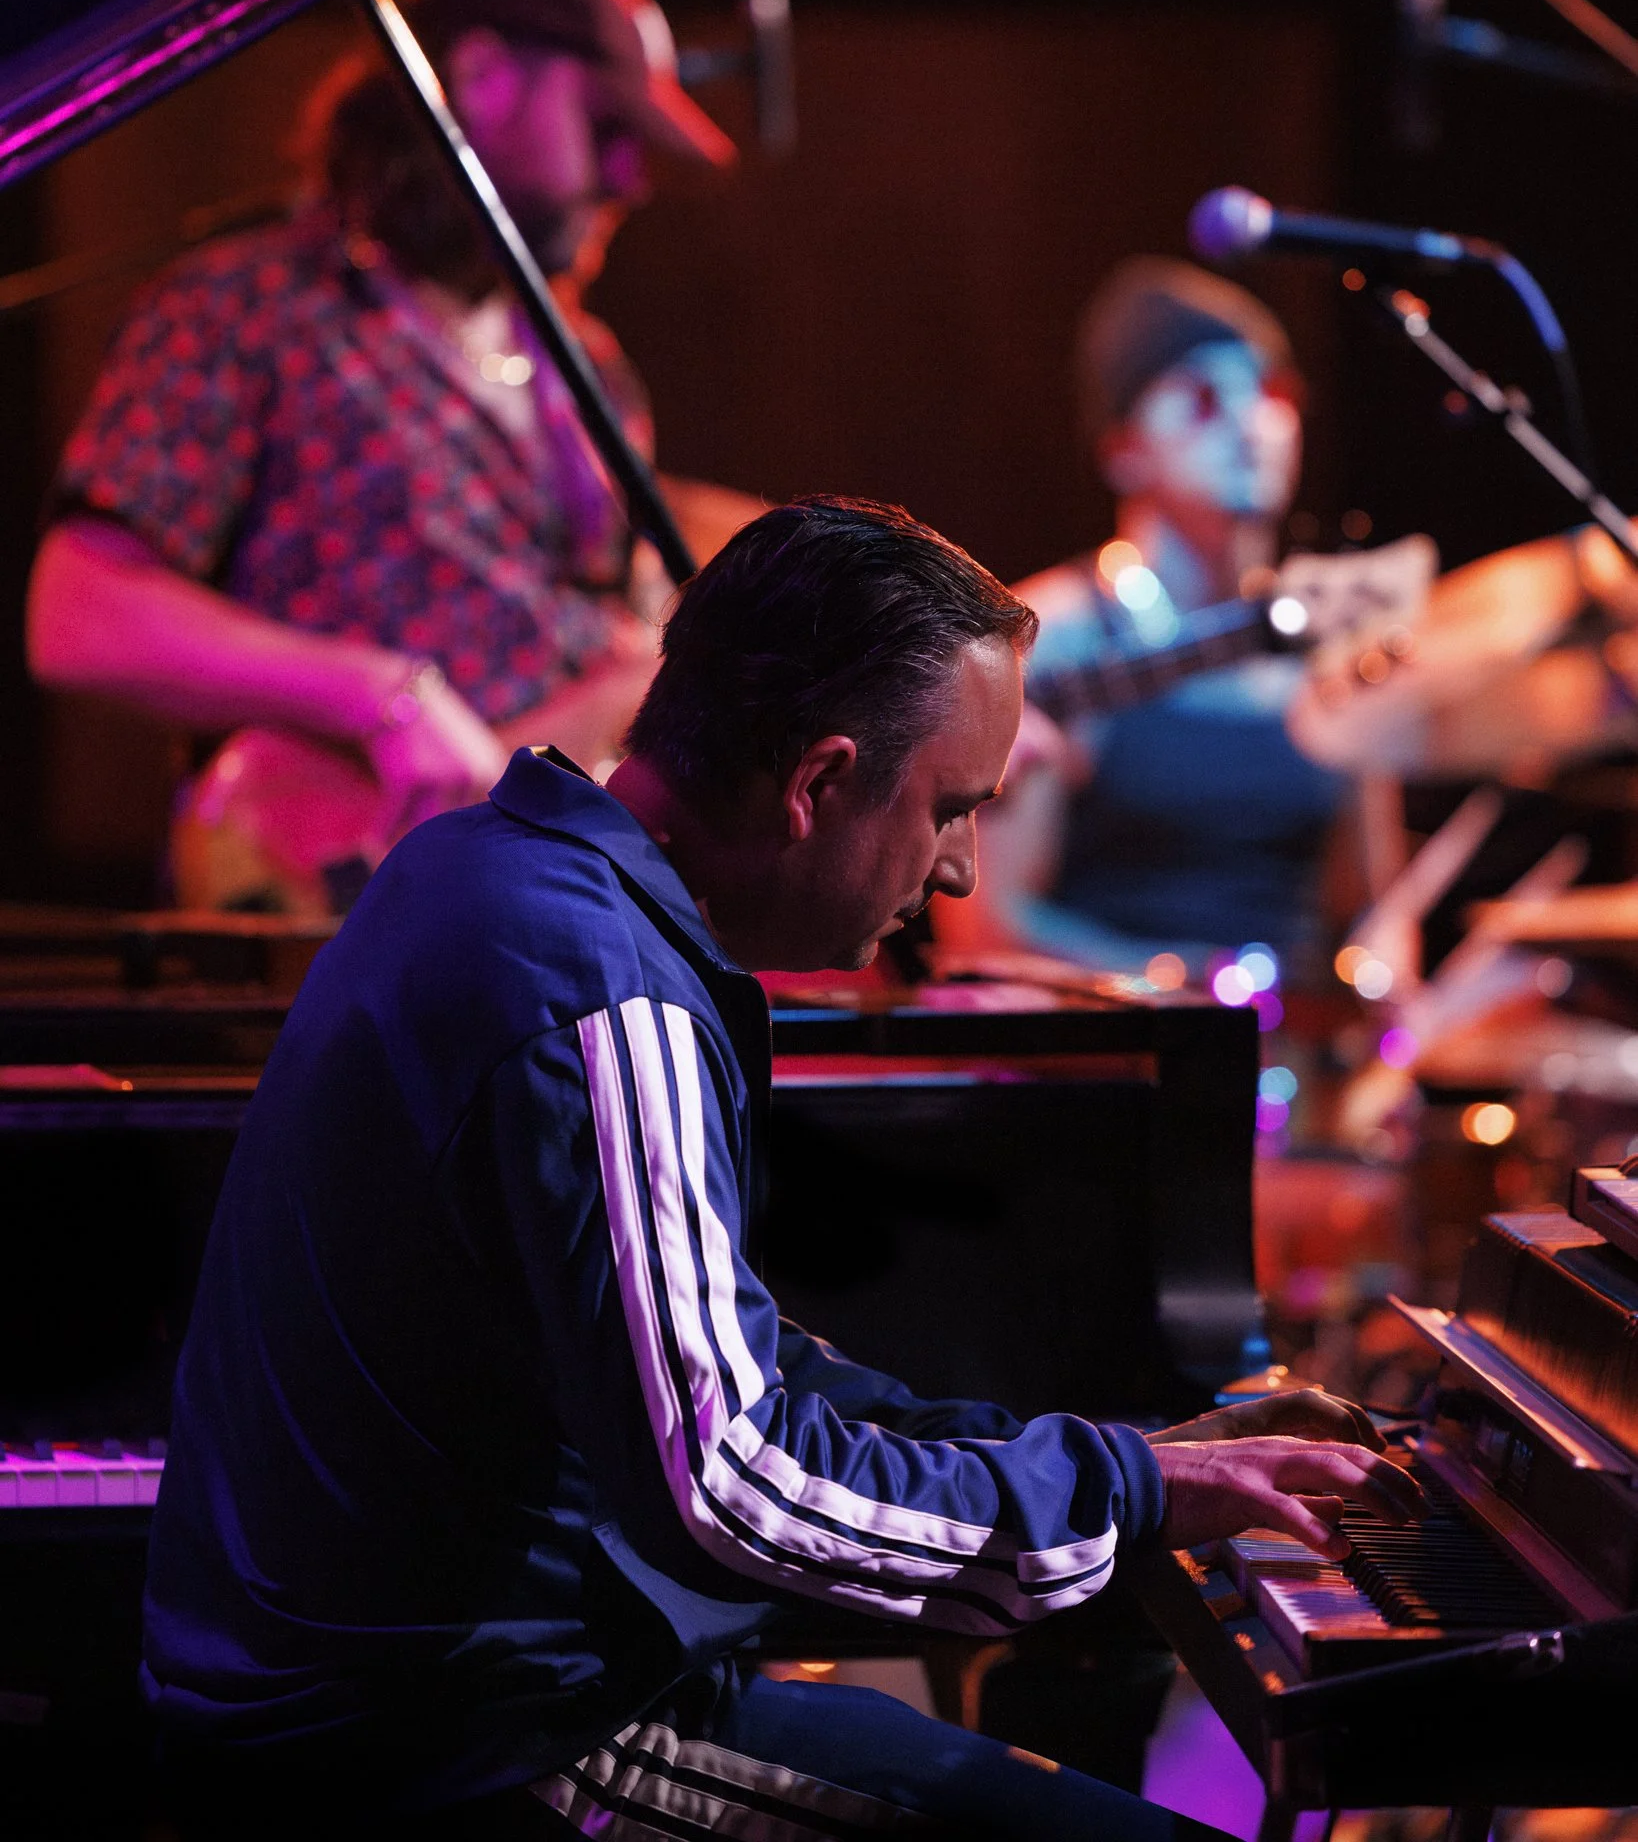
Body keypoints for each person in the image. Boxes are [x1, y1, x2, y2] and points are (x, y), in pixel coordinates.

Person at [142, 497, 1424, 1838]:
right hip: (444, 1754)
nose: (957, 865)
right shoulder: (595, 990)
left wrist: (1119, 1463)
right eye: (947, 810)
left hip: (411, 1702)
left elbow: (740, 1376)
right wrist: (1128, 1495)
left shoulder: (480, 872)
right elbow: (732, 1485)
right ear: (817, 783)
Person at [25, 0, 751, 909]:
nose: (629, 178)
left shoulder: (588, 367)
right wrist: (380, 694)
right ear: (485, 76)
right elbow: (79, 612)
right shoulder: (248, 307)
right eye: (605, 126)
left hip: (556, 905)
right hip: (339, 902)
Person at [953, 257, 1348, 985]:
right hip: (1120, 1061)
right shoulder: (1051, 640)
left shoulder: (1332, 638)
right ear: (1124, 450)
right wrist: (1178, 985)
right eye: (1202, 398)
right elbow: (987, 928)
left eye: (1270, 393)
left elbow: (1372, 911)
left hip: (1297, 1069)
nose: (1251, 424)